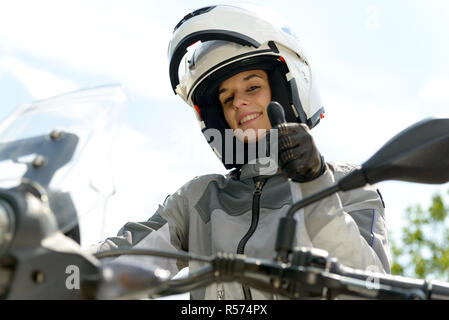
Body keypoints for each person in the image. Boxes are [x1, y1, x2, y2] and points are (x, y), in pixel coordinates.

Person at [93, 4, 390, 300]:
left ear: (284, 89)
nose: (238, 103)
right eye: (227, 98)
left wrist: (312, 180)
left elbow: (366, 285)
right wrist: (61, 259)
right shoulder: (199, 200)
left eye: (253, 87)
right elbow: (126, 257)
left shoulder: (347, 184)